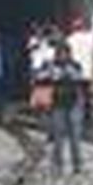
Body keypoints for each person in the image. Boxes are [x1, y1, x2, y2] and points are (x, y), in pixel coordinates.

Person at [37, 42, 86, 174]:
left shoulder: (76, 65)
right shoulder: (49, 66)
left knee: (75, 137)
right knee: (58, 137)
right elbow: (39, 79)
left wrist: (71, 74)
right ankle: (58, 165)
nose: (63, 56)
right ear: (57, 54)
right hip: (57, 104)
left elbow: (82, 81)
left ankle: (78, 165)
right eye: (61, 54)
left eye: (66, 53)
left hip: (73, 103)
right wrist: (51, 75)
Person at [67, 16, 93, 125]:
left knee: (77, 95)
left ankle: (79, 116)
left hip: (75, 72)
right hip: (88, 71)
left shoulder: (69, 39)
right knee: (87, 94)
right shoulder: (90, 38)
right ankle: (88, 116)